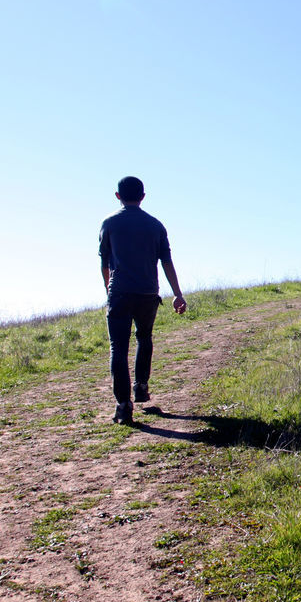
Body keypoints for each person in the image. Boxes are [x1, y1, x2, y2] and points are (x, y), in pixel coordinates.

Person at [99, 176, 187, 424]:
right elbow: (167, 262)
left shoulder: (109, 224)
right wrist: (177, 294)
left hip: (120, 292)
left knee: (118, 347)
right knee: (144, 338)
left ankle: (123, 406)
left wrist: (109, 291)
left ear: (117, 196)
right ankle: (140, 387)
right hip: (148, 293)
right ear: (143, 196)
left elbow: (104, 264)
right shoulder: (156, 225)